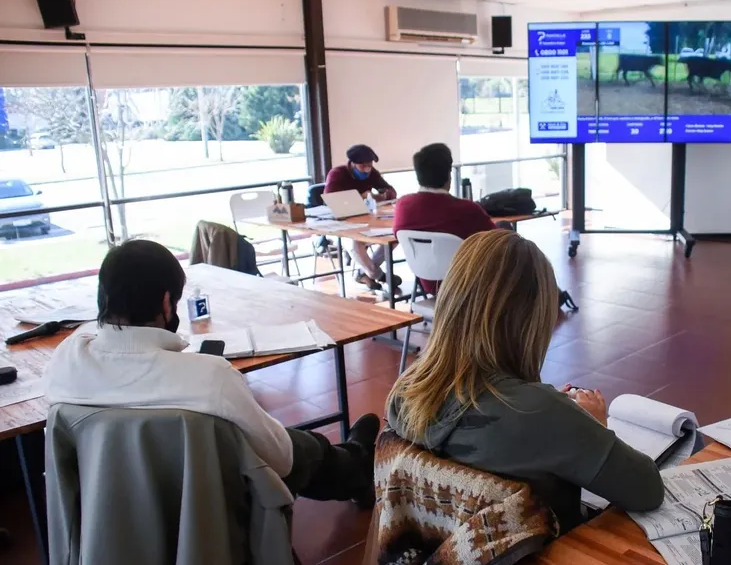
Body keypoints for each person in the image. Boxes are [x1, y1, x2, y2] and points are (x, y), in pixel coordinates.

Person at [45, 239, 377, 504]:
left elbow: (89, 333)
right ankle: (358, 466)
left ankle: (354, 462)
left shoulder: (65, 361)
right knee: (302, 447)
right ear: (165, 303)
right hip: (207, 497)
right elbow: (279, 458)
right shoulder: (208, 376)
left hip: (108, 504)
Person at [385, 230, 663, 532]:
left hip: (442, 559)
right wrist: (593, 427)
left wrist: (536, 404)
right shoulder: (543, 414)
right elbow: (647, 489)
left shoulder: (406, 389)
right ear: (532, 320)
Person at [392, 142, 498, 294]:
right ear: (448, 174)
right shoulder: (467, 210)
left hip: (429, 286)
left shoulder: (403, 205)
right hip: (470, 286)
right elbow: (499, 243)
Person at [324, 144, 399, 292]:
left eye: (369, 166)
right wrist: (359, 197)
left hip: (365, 219)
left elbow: (391, 191)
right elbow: (329, 199)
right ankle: (378, 275)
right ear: (352, 164)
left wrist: (382, 195)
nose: (367, 169)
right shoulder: (337, 174)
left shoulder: (371, 173)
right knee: (356, 243)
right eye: (363, 166)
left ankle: (363, 273)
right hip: (339, 222)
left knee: (394, 237)